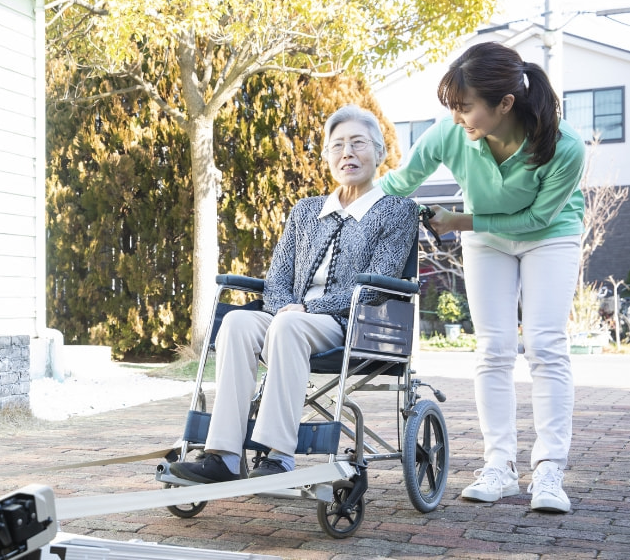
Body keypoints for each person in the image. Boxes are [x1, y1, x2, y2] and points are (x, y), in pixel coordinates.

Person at [378, 41, 586, 513]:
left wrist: (460, 222)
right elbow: (399, 182)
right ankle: (500, 466)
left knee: (545, 343)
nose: (457, 117)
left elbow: (536, 219)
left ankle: (550, 470)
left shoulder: (565, 146)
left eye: (466, 107)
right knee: (493, 349)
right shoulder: (452, 133)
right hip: (485, 239)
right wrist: (344, 203)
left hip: (549, 234)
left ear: (505, 104)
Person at [170, 104, 419, 484]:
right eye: (337, 146)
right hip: (289, 317)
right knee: (236, 322)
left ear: (380, 153)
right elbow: (278, 276)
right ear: (326, 157)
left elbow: (376, 285)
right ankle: (224, 456)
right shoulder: (305, 211)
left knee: (289, 326)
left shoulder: (396, 211)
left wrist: (305, 308)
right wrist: (282, 307)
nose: (347, 153)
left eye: (358, 143)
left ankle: (278, 455)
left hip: (349, 322)